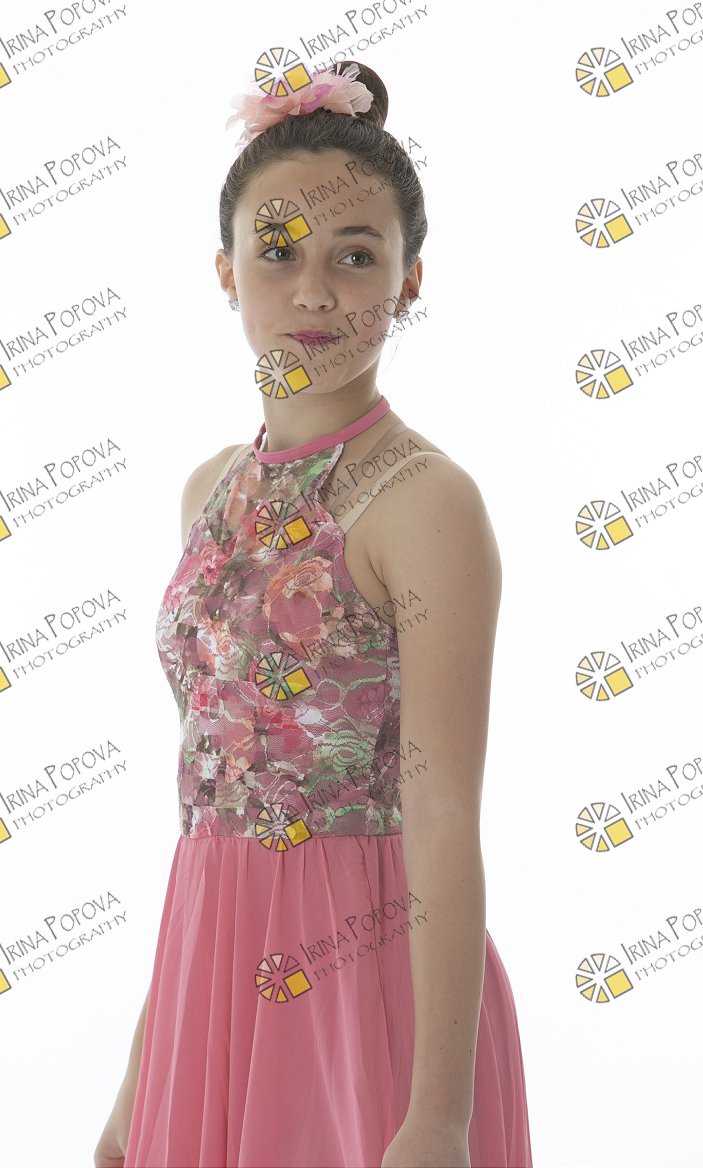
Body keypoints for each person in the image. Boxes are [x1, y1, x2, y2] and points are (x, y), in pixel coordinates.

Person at [94, 60, 533, 1168]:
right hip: (209, 971)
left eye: (356, 256)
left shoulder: (425, 503)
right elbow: (214, 803)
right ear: (226, 271)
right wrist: (141, 1078)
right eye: (278, 251)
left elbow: (442, 816)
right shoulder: (209, 491)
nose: (316, 293)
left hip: (360, 974)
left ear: (410, 279)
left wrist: (437, 1119)